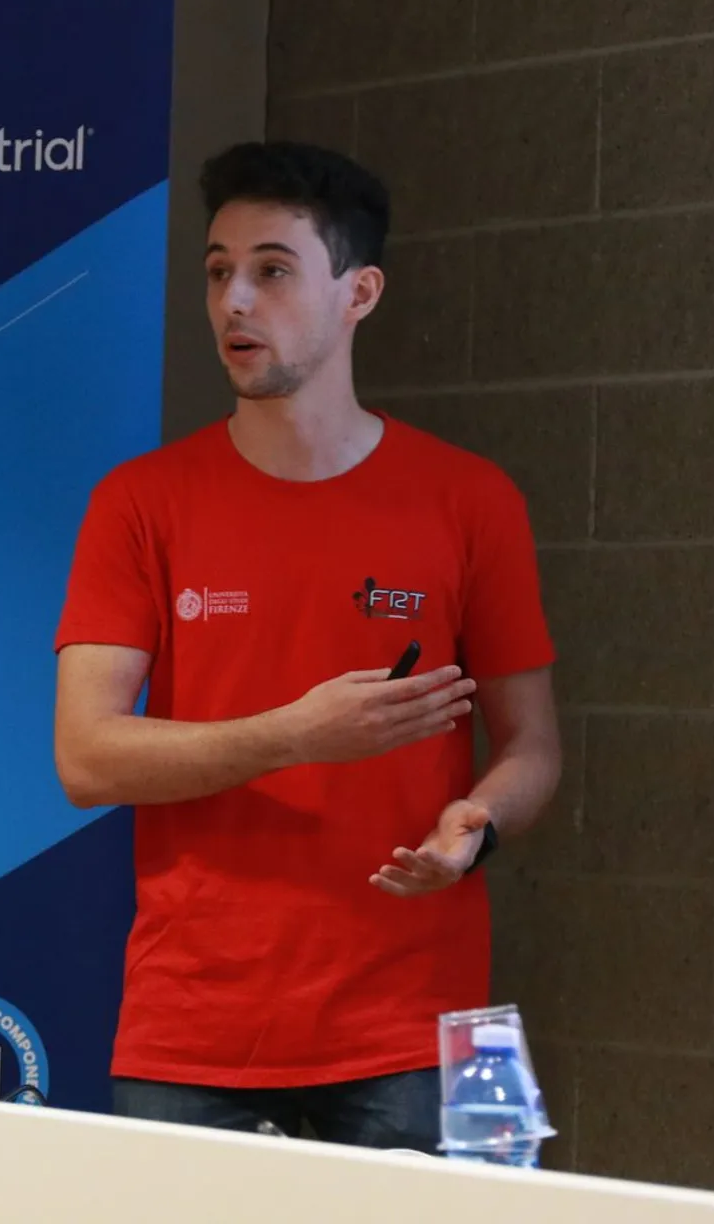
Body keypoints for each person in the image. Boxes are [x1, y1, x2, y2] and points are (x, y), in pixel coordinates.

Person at [52, 141, 560, 1149]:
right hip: (193, 1028)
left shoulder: (470, 499)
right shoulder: (140, 502)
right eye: (218, 271)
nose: (235, 300)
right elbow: (87, 756)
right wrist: (296, 733)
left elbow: (532, 746)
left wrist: (480, 823)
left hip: (412, 1023)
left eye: (273, 270)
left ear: (358, 292)